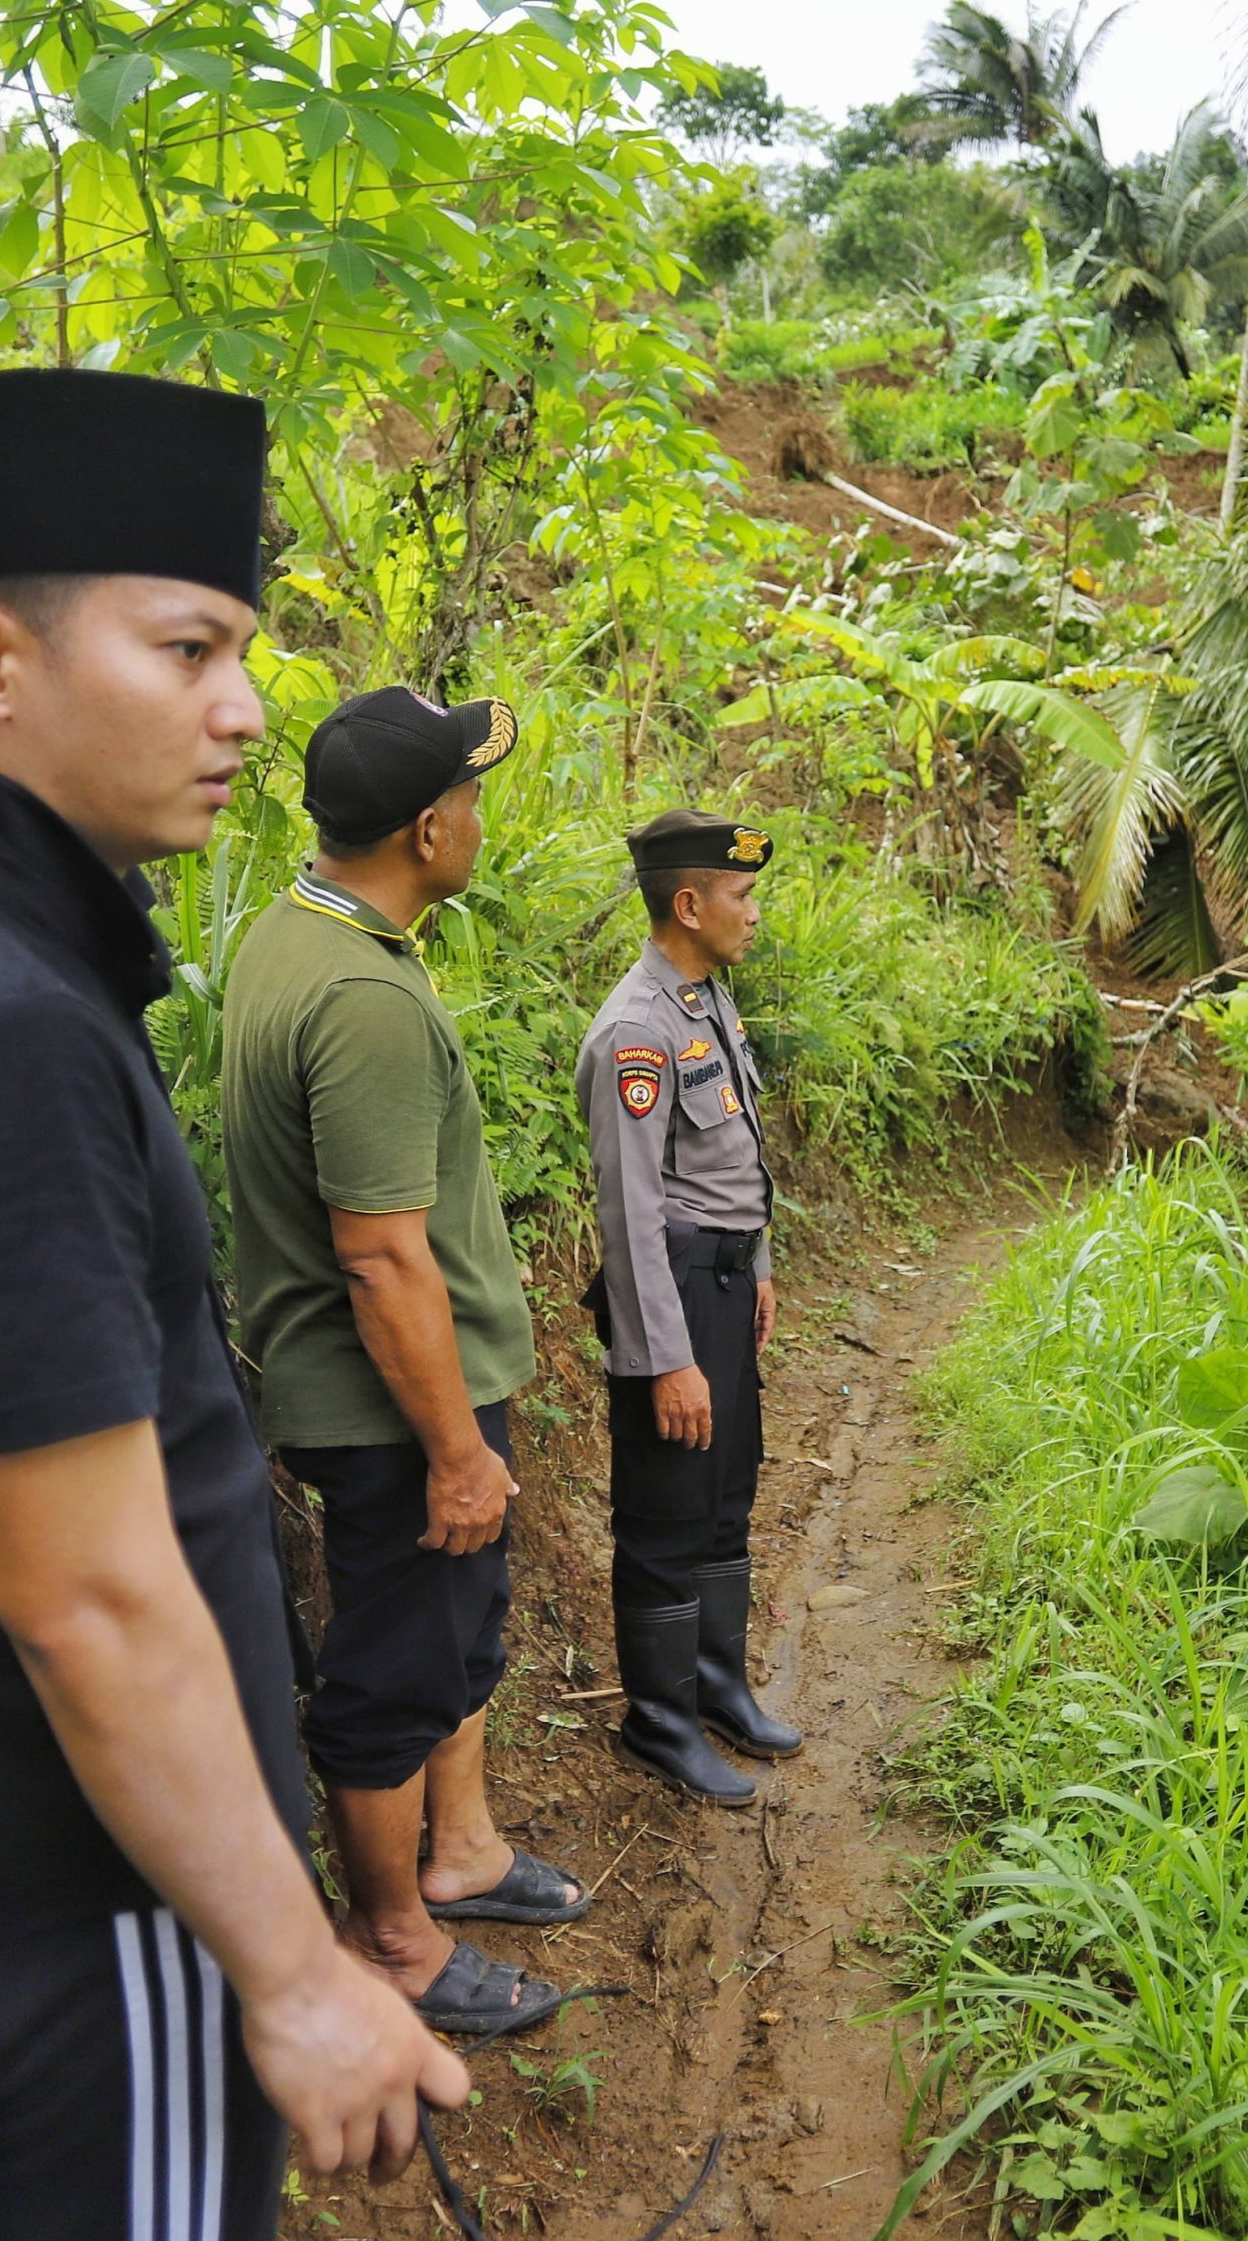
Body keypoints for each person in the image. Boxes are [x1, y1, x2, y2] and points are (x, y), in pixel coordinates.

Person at [0, 367, 465, 2238]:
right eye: (187, 649)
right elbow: (86, 1590)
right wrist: (296, 1966)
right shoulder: (1, 1024)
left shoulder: (16, 959)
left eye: (242, 649)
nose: (245, 710)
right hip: (86, 1909)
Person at [220, 685, 583, 2037]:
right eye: (473, 802)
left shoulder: (297, 936)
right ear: (429, 828)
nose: (482, 822)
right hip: (391, 1409)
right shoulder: (363, 999)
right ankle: (392, 1941)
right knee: (394, 1668)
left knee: (447, 1635)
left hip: (383, 1392)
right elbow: (382, 1256)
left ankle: (464, 1851)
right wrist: (456, 1447)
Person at [579, 809, 799, 1809]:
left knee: (724, 1497)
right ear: (688, 902)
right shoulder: (637, 1029)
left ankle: (716, 1689)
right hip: (668, 1292)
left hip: (719, 1283)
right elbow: (630, 1216)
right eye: (741, 895)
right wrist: (664, 1359)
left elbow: (732, 1157)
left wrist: (754, 1263)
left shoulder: (708, 1003)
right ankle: (659, 1724)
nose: (753, 912)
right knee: (668, 1514)